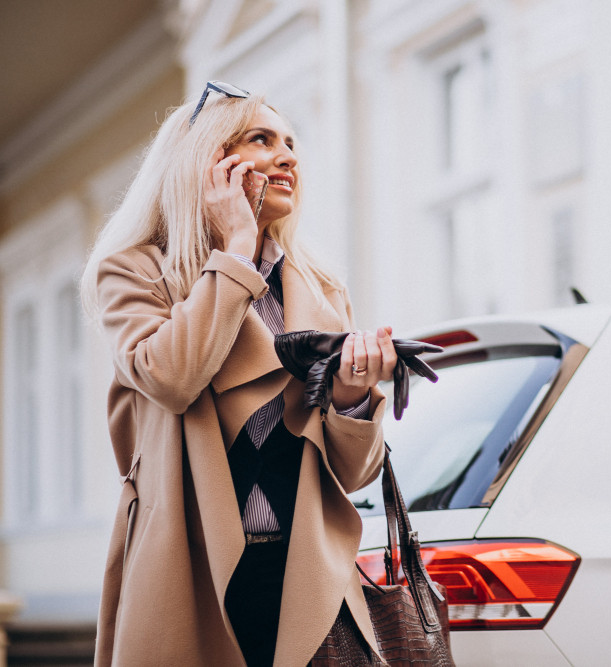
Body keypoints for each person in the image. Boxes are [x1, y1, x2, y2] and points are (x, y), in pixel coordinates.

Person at [81, 81, 394, 666]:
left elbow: (353, 476)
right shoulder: (135, 271)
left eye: (291, 143)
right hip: (188, 569)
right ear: (207, 163)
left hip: (305, 574)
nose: (288, 156)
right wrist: (238, 247)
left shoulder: (321, 287)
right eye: (262, 139)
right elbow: (171, 377)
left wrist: (352, 399)